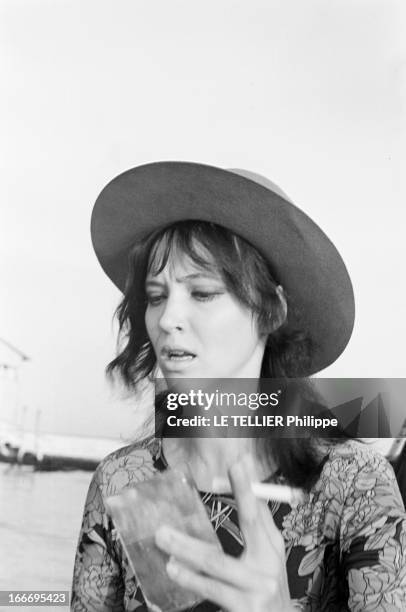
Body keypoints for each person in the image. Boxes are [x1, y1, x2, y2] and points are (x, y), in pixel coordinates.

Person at [72, 162, 406, 611]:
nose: (168, 319)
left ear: (272, 311)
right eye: (155, 296)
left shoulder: (355, 485)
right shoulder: (122, 482)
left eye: (203, 293)